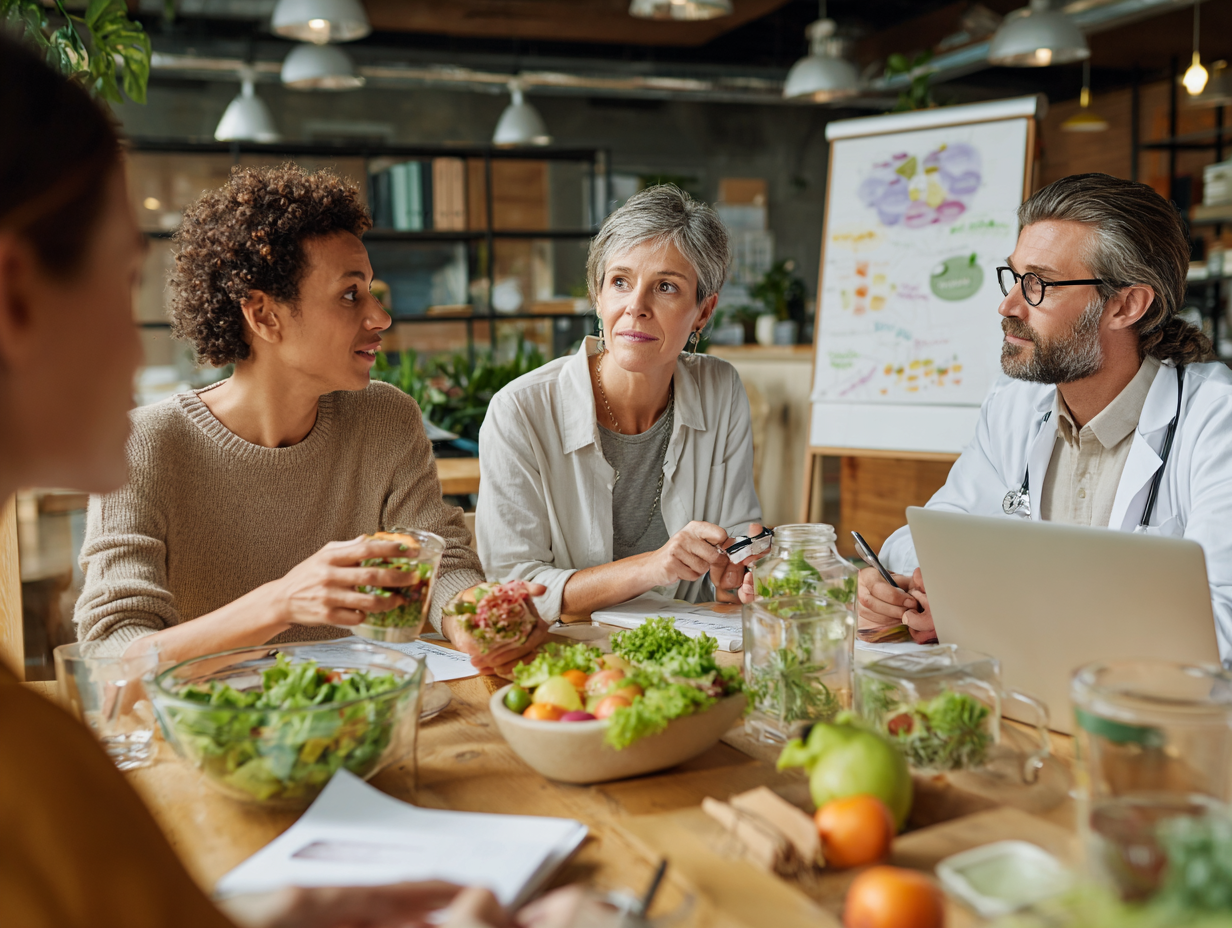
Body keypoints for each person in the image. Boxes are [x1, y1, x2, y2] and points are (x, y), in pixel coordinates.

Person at [70, 161, 547, 675]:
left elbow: (442, 562)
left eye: (371, 290)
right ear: (264, 316)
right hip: (212, 733)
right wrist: (280, 603)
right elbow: (112, 653)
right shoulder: (145, 444)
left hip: (359, 713)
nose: (380, 317)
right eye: (350, 294)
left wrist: (482, 621)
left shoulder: (385, 416)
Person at [858, 173, 1232, 657]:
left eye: (1040, 283)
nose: (1009, 304)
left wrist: (993, 601)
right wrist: (903, 589)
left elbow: (1219, 627)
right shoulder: (1016, 402)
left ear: (1126, 305)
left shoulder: (1214, 421)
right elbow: (929, 535)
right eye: (1015, 276)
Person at [470, 184, 762, 639]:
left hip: (692, 650)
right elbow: (514, 587)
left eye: (665, 287)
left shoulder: (719, 388)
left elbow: (740, 532)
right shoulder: (520, 410)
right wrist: (653, 567)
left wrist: (739, 570)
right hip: (565, 658)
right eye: (620, 282)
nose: (636, 308)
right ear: (598, 295)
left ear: (703, 312)